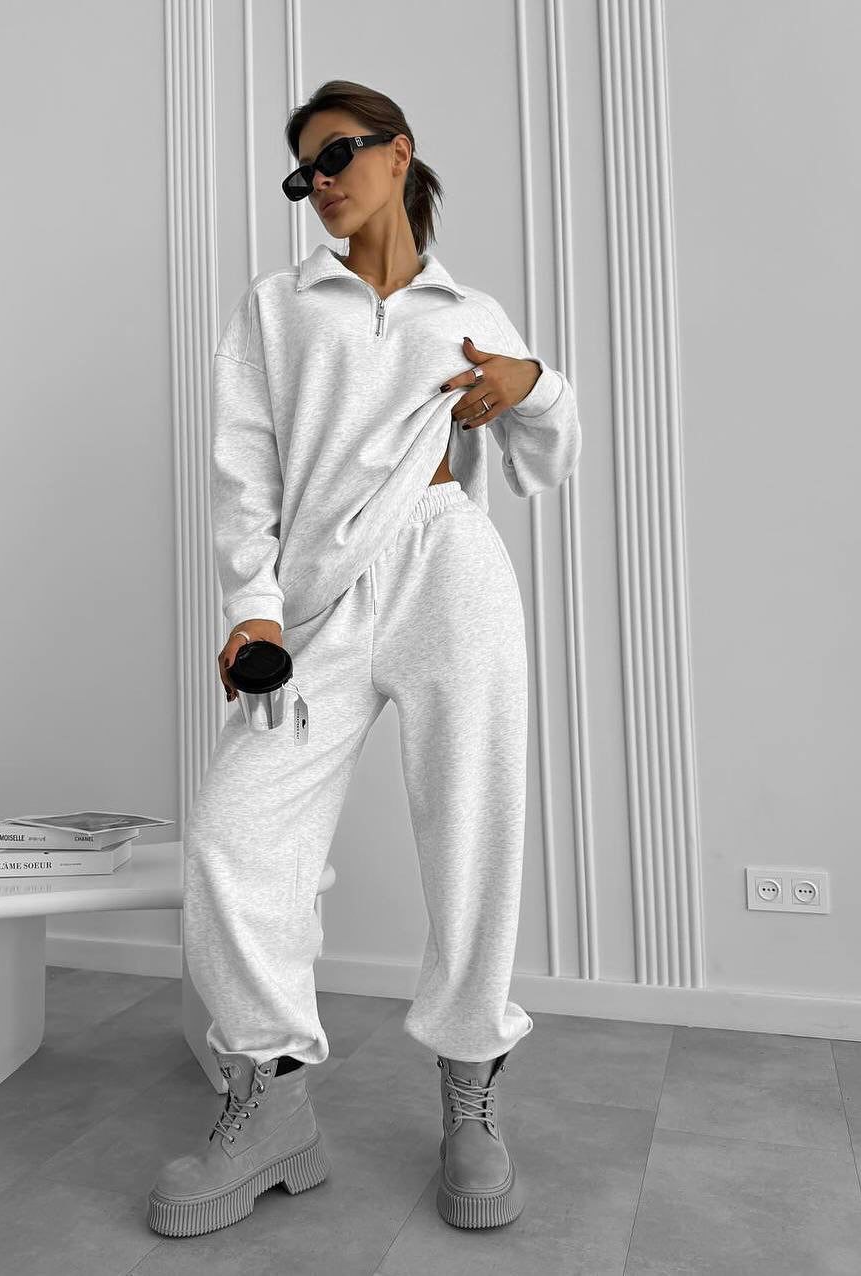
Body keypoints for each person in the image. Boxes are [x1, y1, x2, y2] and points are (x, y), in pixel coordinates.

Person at [147, 79, 582, 1239]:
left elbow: (553, 447)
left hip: (448, 568)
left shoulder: (469, 309)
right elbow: (244, 477)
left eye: (336, 155)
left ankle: (472, 1089)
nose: (319, 182)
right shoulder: (277, 307)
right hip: (319, 599)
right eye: (302, 172)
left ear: (398, 153)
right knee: (236, 833)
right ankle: (273, 1099)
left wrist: (529, 383)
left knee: (474, 826)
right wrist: (255, 610)